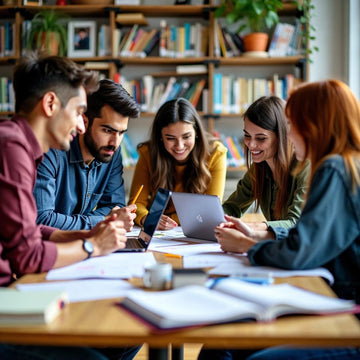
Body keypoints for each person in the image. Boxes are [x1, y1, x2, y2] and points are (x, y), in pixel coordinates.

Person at [199, 80, 360, 360]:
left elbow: (298, 251)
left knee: (233, 341)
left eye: (292, 124)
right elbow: (308, 242)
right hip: (336, 299)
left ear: (312, 126)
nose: (290, 132)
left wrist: (249, 246)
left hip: (346, 314)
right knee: (225, 337)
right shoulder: (346, 164)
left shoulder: (333, 169)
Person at [0, 53, 139, 360]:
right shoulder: (12, 147)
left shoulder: (18, 145)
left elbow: (30, 230)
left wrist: (83, 236)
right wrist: (93, 247)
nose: (80, 124)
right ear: (50, 105)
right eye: (78, 111)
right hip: (7, 303)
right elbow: (28, 255)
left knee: (125, 337)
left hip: (13, 292)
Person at [34, 79, 140, 232]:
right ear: (83, 121)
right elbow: (42, 219)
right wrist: (102, 221)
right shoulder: (50, 151)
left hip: (81, 243)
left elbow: (114, 207)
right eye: (108, 131)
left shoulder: (111, 153)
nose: (115, 143)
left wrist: (102, 220)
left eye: (121, 133)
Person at [128, 97, 227, 230]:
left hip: (194, 229)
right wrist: (148, 219)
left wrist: (167, 219)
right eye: (170, 138)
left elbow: (210, 210)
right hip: (156, 228)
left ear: (196, 132)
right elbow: (136, 204)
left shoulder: (216, 153)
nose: (179, 146)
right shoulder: (147, 153)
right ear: (160, 137)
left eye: (186, 137)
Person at [222, 96, 309, 230]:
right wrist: (216, 219)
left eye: (261, 138)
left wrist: (253, 227)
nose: (251, 145)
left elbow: (297, 223)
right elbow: (232, 207)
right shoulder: (259, 168)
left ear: (282, 137)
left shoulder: (306, 166)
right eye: (247, 136)